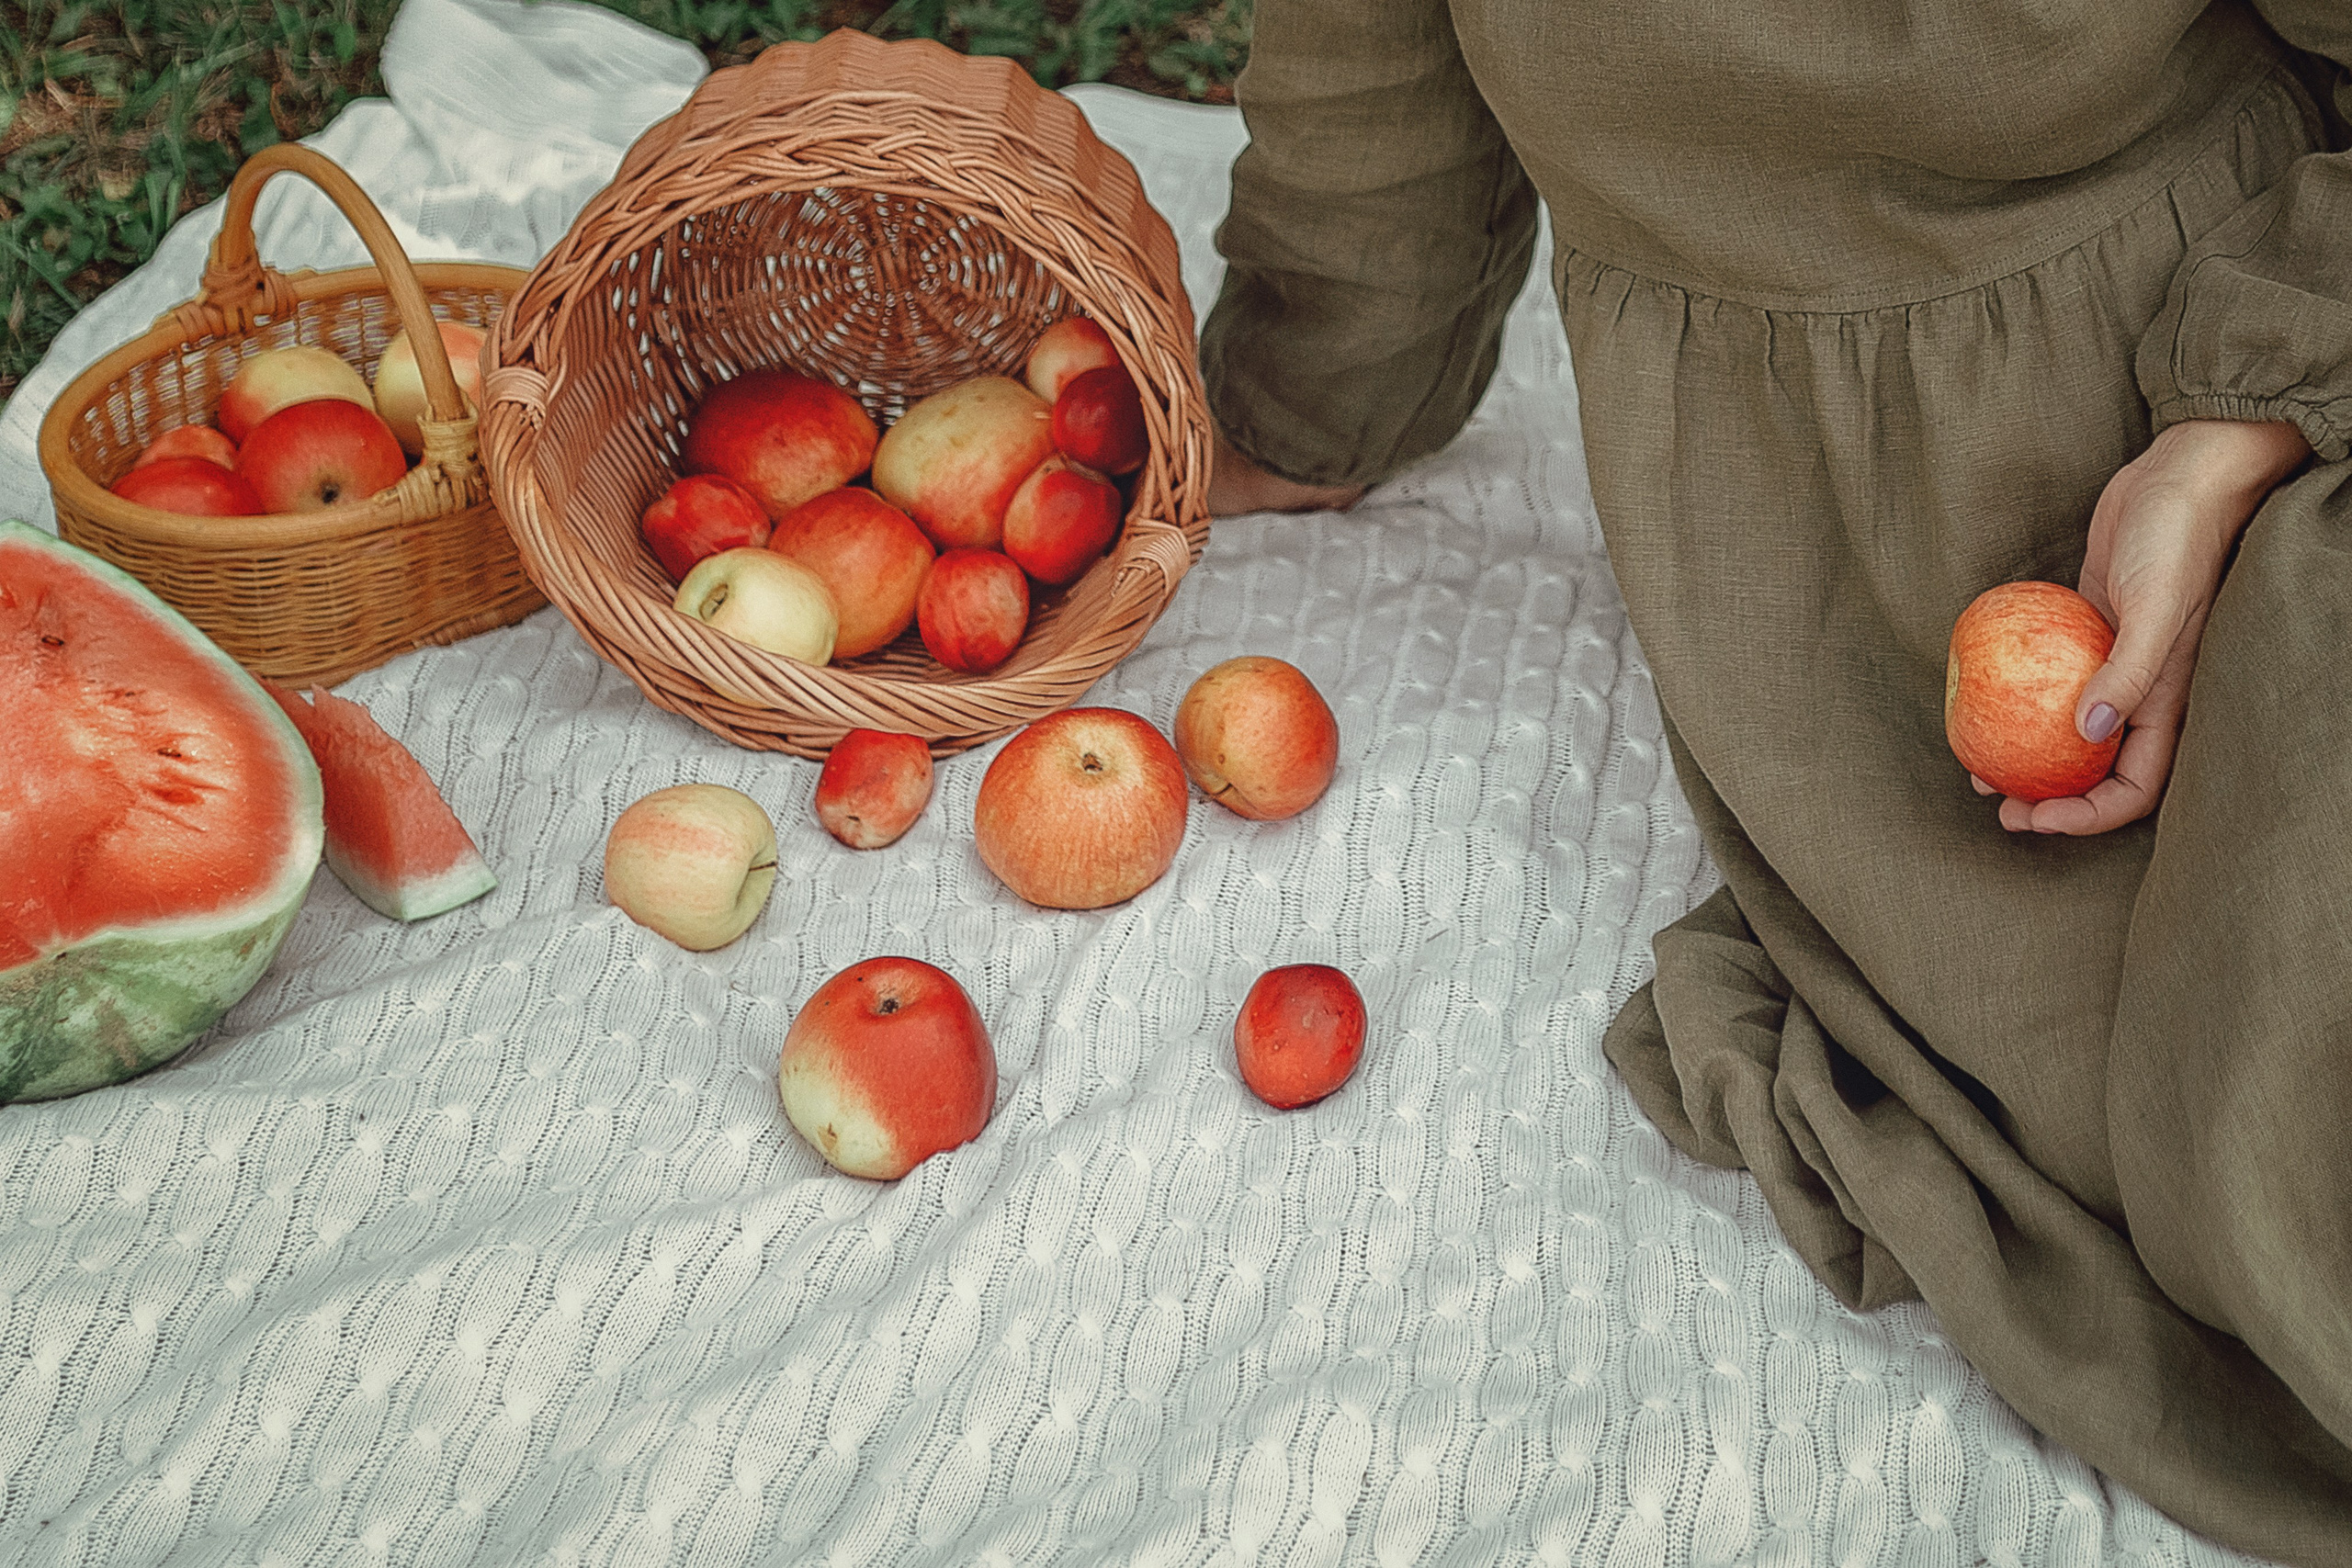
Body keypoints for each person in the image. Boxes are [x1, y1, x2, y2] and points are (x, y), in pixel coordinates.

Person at [1196, 0, 2352, 1558]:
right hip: (1822, 540)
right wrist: (1295, 404)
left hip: (2238, 375)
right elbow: (1370, 76)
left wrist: (2244, 418)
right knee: (2239, 1143)